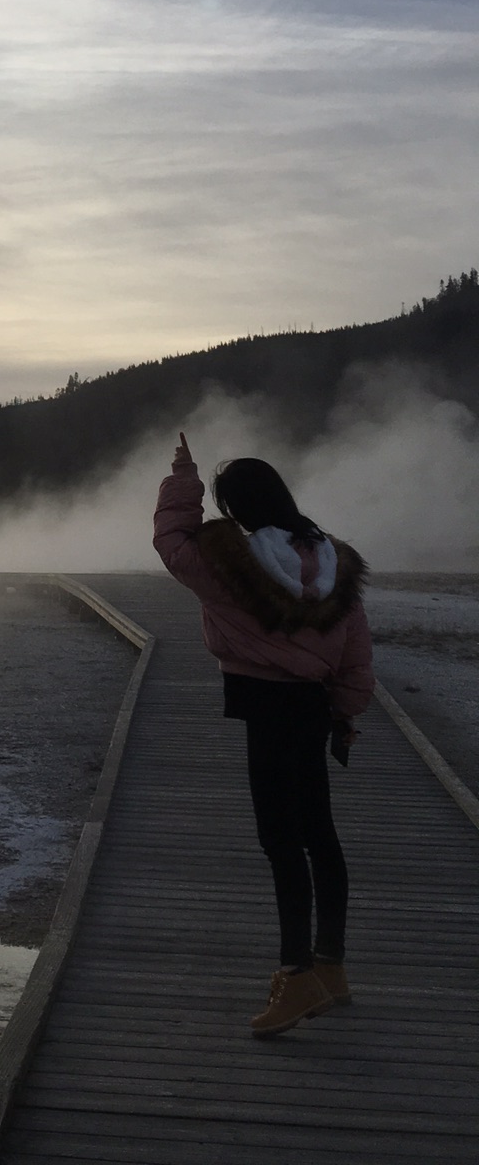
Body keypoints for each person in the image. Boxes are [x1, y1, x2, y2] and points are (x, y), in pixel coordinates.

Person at [153, 432, 373, 1037]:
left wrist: (183, 476)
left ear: (235, 510)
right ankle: (331, 968)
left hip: (265, 707)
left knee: (280, 842)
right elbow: (355, 654)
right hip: (312, 708)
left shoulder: (233, 564)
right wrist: (345, 714)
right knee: (320, 835)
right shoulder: (336, 563)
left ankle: (296, 978)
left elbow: (172, 541)